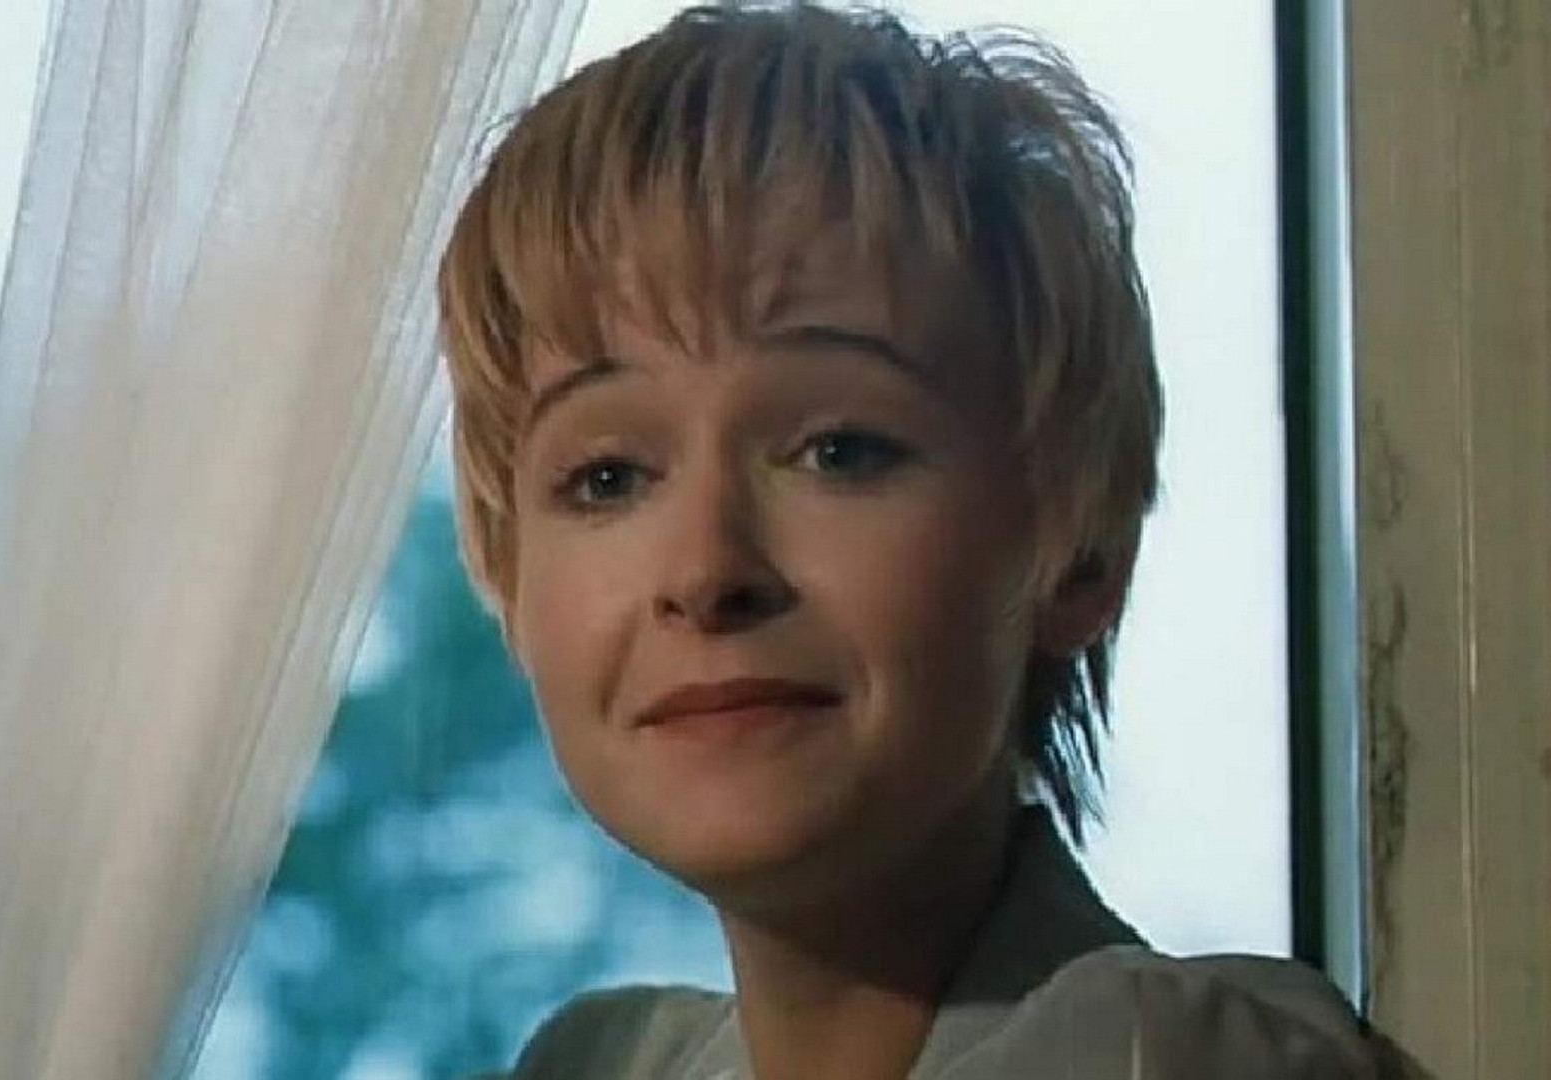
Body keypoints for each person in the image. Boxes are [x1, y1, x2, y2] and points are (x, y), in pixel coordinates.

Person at [435, 4, 1391, 1076]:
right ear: (509, 577)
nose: (705, 571)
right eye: (607, 478)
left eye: (840, 451)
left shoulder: (1162, 1055)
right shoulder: (602, 1062)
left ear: (1079, 553)